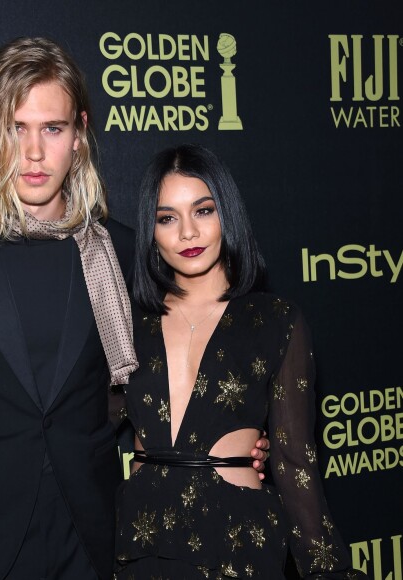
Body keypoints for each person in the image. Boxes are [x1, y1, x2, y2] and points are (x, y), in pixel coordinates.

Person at [0, 38, 269, 580]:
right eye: (16, 128)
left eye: (52, 129)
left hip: (92, 536)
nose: (34, 153)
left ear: (79, 135)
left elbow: (180, 366)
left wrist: (237, 437)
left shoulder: (122, 251)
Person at [114, 144, 367, 579]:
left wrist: (328, 570)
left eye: (204, 210)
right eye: (167, 218)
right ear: (150, 232)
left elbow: (293, 461)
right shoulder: (129, 323)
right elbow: (80, 426)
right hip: (142, 543)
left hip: (236, 545)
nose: (188, 233)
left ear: (226, 212)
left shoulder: (275, 320)